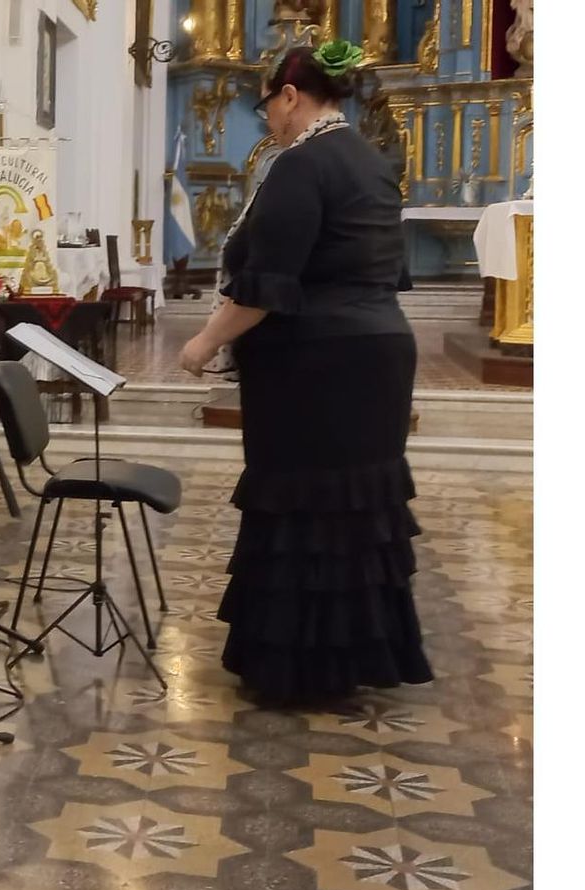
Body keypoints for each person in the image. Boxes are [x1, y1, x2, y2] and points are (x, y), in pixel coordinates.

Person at [179, 42, 432, 705]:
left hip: (319, 364)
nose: (268, 121)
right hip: (375, 356)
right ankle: (349, 656)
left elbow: (265, 288)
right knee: (355, 509)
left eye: (269, 107)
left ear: (291, 97)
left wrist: (203, 343)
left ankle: (300, 668)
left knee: (303, 505)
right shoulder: (373, 164)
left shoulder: (300, 165)